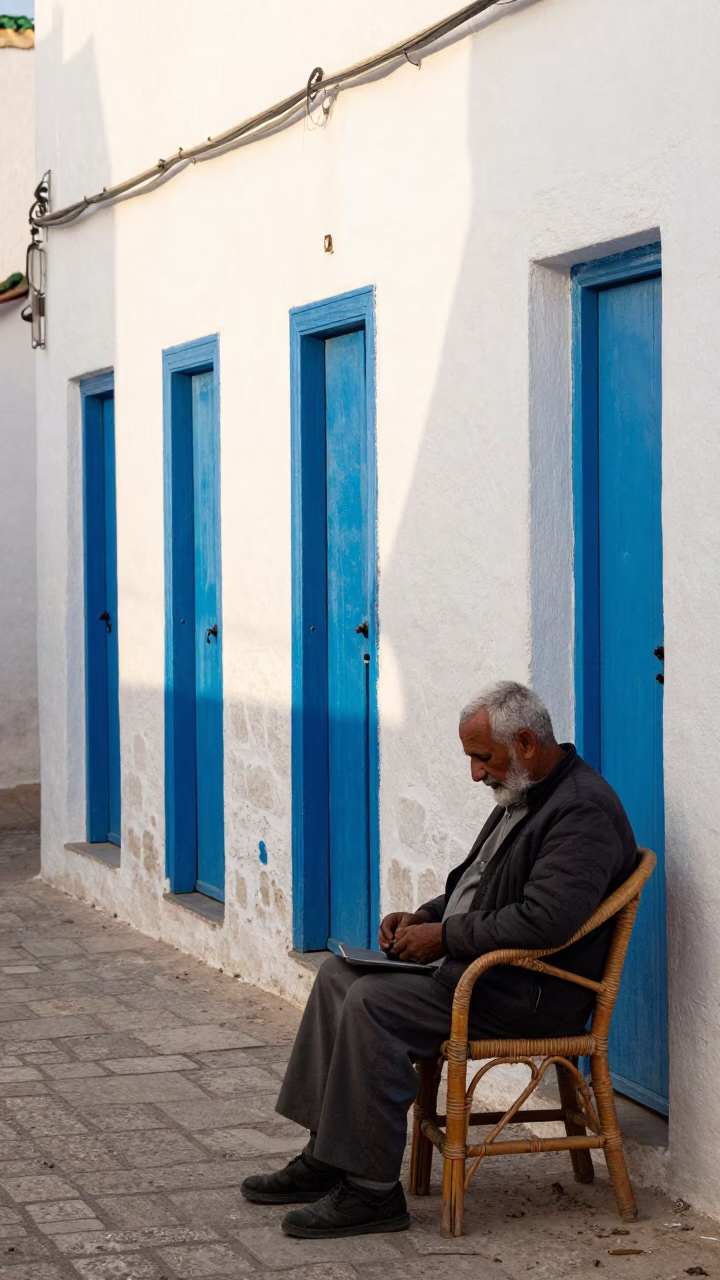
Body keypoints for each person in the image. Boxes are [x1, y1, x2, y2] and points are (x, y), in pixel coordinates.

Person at [241, 680, 637, 1239]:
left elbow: (544, 921)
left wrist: (444, 938)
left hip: (526, 992)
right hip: (482, 970)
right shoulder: (527, 789)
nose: (476, 773)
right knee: (335, 976)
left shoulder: (581, 811)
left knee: (373, 1003)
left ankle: (372, 1192)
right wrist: (425, 918)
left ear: (525, 742)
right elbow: (478, 887)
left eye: (482, 758)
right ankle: (328, 1157)